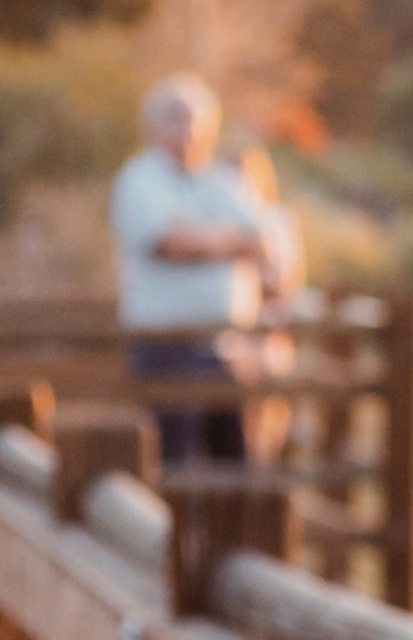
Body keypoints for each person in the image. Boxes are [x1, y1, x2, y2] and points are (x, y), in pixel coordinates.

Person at [108, 75, 297, 469]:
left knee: (235, 466)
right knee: (169, 464)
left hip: (226, 350)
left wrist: (203, 238)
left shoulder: (223, 182)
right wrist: (228, 241)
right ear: (154, 125)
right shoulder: (139, 179)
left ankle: (229, 534)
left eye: (195, 117)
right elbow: (166, 242)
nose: (187, 127)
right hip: (165, 347)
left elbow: (261, 241)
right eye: (175, 117)